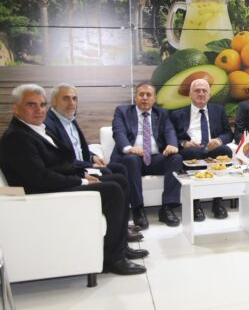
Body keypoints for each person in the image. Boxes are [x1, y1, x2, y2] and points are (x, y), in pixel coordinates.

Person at [0, 84, 147, 275]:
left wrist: (81, 174)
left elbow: (60, 163)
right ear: (16, 108)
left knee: (120, 179)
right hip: (41, 195)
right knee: (112, 189)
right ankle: (113, 259)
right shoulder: (17, 137)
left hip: (53, 184)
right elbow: (39, 178)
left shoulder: (35, 129)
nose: (39, 110)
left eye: (42, 104)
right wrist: (81, 181)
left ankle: (119, 247)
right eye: (31, 104)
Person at [45, 83, 143, 243]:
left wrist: (92, 158)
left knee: (120, 169)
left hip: (81, 165)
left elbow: (76, 148)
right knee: (112, 175)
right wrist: (89, 166)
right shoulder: (49, 125)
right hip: (74, 171)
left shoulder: (69, 119)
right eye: (66, 98)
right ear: (54, 101)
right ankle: (119, 232)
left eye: (74, 98)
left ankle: (122, 225)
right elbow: (62, 159)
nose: (71, 103)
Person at [111, 82, 183, 229]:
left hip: (154, 158)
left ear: (154, 98)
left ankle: (167, 208)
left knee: (176, 158)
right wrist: (130, 148)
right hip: (132, 159)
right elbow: (118, 132)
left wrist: (172, 145)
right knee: (131, 159)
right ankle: (138, 209)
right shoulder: (122, 111)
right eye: (141, 94)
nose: (144, 98)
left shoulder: (162, 113)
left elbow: (169, 130)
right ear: (135, 97)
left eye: (148, 95)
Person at [170, 78, 234, 221]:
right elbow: (171, 136)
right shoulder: (178, 114)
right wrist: (184, 143)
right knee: (192, 152)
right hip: (192, 149)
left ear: (209, 95)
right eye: (197, 91)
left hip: (212, 148)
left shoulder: (218, 110)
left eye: (204, 91)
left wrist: (219, 140)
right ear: (190, 95)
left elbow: (228, 133)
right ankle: (196, 203)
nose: (201, 93)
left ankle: (217, 202)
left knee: (225, 151)